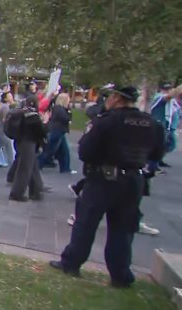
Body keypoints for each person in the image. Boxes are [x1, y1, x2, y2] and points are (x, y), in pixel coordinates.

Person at [50, 86, 165, 288]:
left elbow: (86, 151)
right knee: (123, 229)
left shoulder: (107, 121)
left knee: (86, 223)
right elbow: (157, 153)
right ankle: (120, 275)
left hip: (103, 179)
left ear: (117, 99)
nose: (108, 100)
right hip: (132, 181)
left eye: (110, 96)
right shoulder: (152, 123)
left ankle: (71, 263)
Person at [8, 96, 47, 201]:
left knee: (32, 167)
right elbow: (41, 131)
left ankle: (36, 190)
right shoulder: (32, 115)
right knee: (25, 168)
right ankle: (17, 193)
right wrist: (45, 122)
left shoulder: (22, 113)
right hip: (29, 142)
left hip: (20, 141)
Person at [39, 93, 75, 173]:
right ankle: (37, 164)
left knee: (64, 151)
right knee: (49, 151)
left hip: (59, 131)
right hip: (57, 131)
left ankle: (65, 168)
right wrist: (69, 112)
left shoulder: (57, 108)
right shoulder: (59, 109)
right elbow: (66, 119)